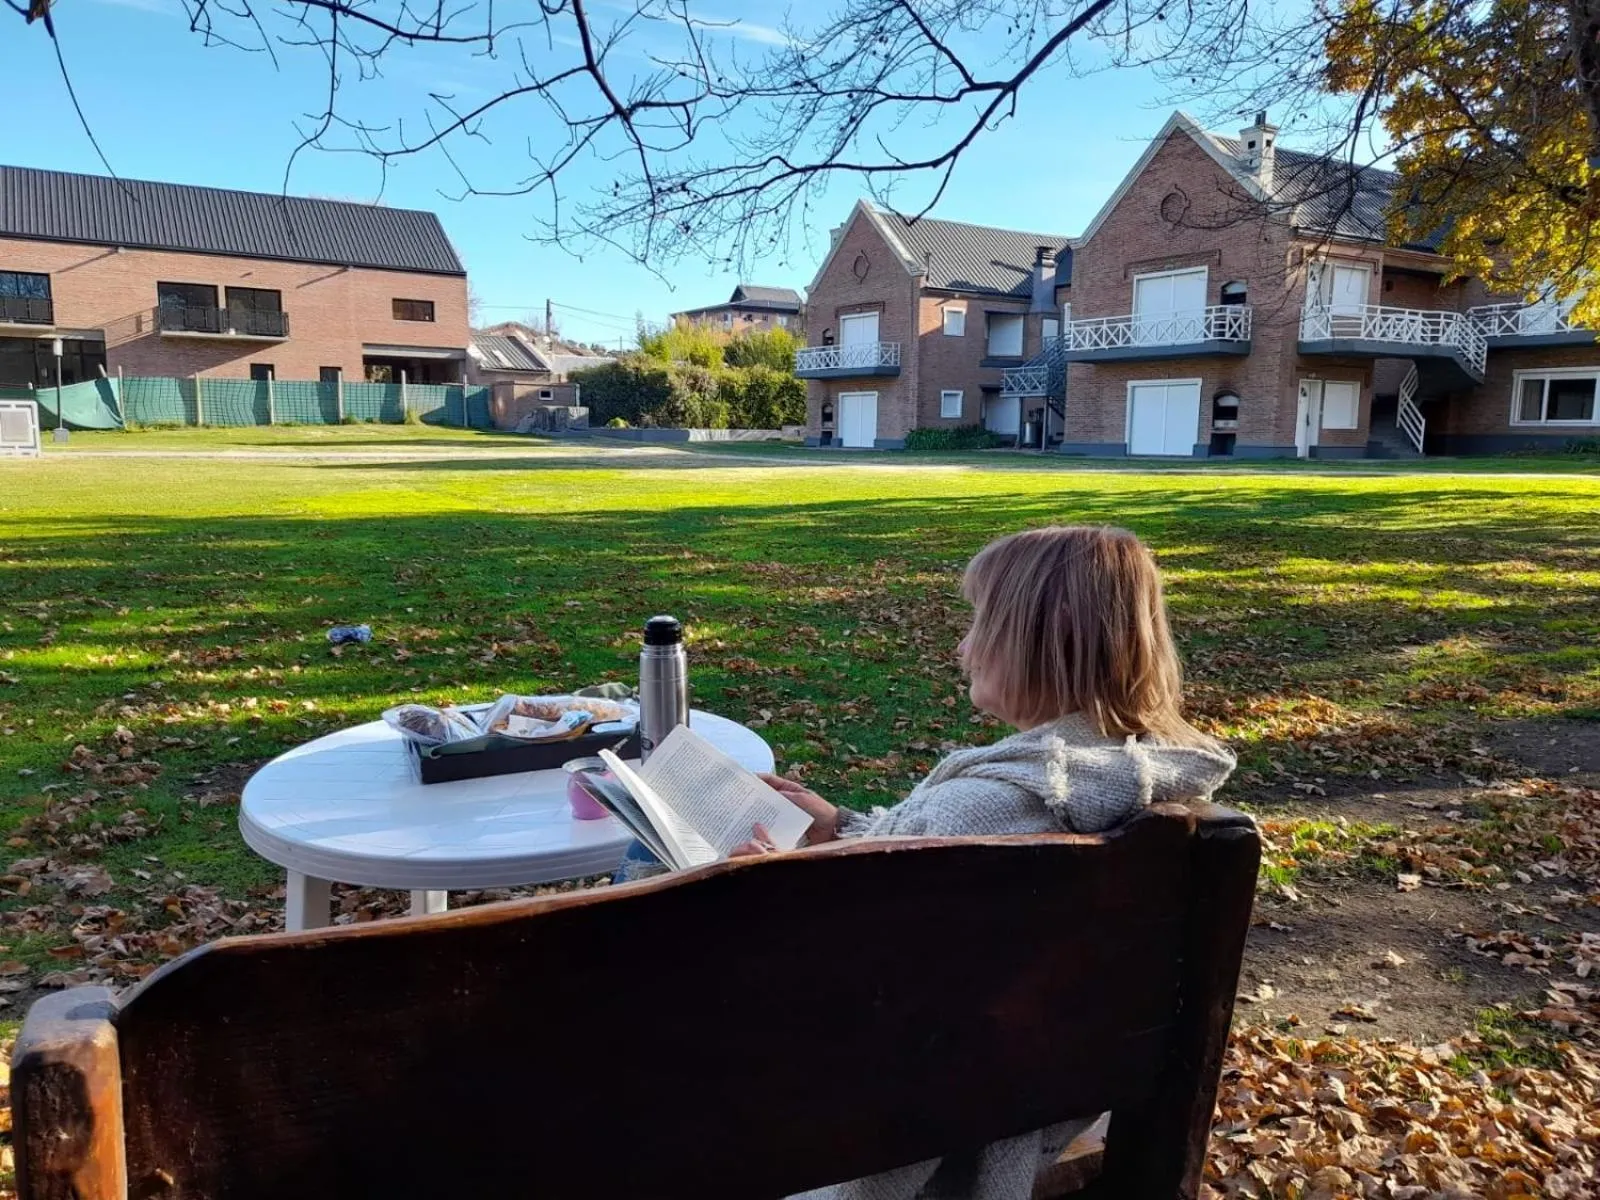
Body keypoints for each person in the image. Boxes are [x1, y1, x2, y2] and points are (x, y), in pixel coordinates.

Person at [732, 524, 1237, 1200]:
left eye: (979, 623)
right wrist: (842, 829)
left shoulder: (990, 810)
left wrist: (776, 890)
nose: (962, 647)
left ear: (1044, 635)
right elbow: (924, 882)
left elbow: (853, 982)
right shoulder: (1130, 781)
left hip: (898, 1127)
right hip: (1035, 1089)